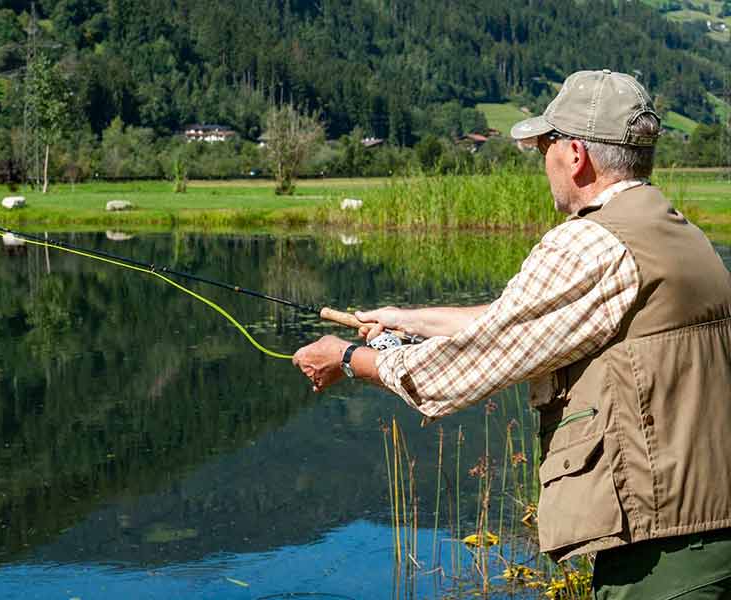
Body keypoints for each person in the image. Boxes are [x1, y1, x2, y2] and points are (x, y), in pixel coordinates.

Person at [292, 69, 731, 598]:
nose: (543, 161)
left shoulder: (589, 243)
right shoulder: (674, 230)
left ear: (575, 154)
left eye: (545, 145)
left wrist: (346, 358)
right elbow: (518, 320)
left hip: (662, 556)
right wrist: (405, 319)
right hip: (707, 529)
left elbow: (452, 375)